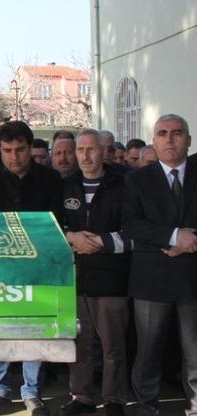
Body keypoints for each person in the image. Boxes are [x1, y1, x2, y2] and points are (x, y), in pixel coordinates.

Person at [0, 121, 62, 416]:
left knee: (33, 326)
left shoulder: (50, 178)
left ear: (30, 147)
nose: (15, 157)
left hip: (38, 263)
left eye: (20, 150)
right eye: (8, 150)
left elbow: (53, 222)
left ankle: (32, 392)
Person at [122, 114, 197, 416]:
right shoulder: (137, 179)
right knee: (148, 350)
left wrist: (191, 241)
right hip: (152, 279)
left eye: (177, 133)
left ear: (188, 140)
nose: (170, 139)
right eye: (162, 133)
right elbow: (131, 224)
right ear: (153, 141)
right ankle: (146, 404)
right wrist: (174, 236)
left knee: (195, 350)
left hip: (193, 277)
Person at [59, 129, 131, 416]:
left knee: (114, 345)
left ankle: (114, 399)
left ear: (103, 151)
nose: (85, 156)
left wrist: (98, 242)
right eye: (80, 150)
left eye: (91, 149)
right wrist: (71, 237)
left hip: (112, 278)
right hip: (76, 278)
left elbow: (134, 229)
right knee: (79, 343)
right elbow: (54, 225)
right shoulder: (65, 185)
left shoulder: (123, 184)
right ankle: (82, 397)